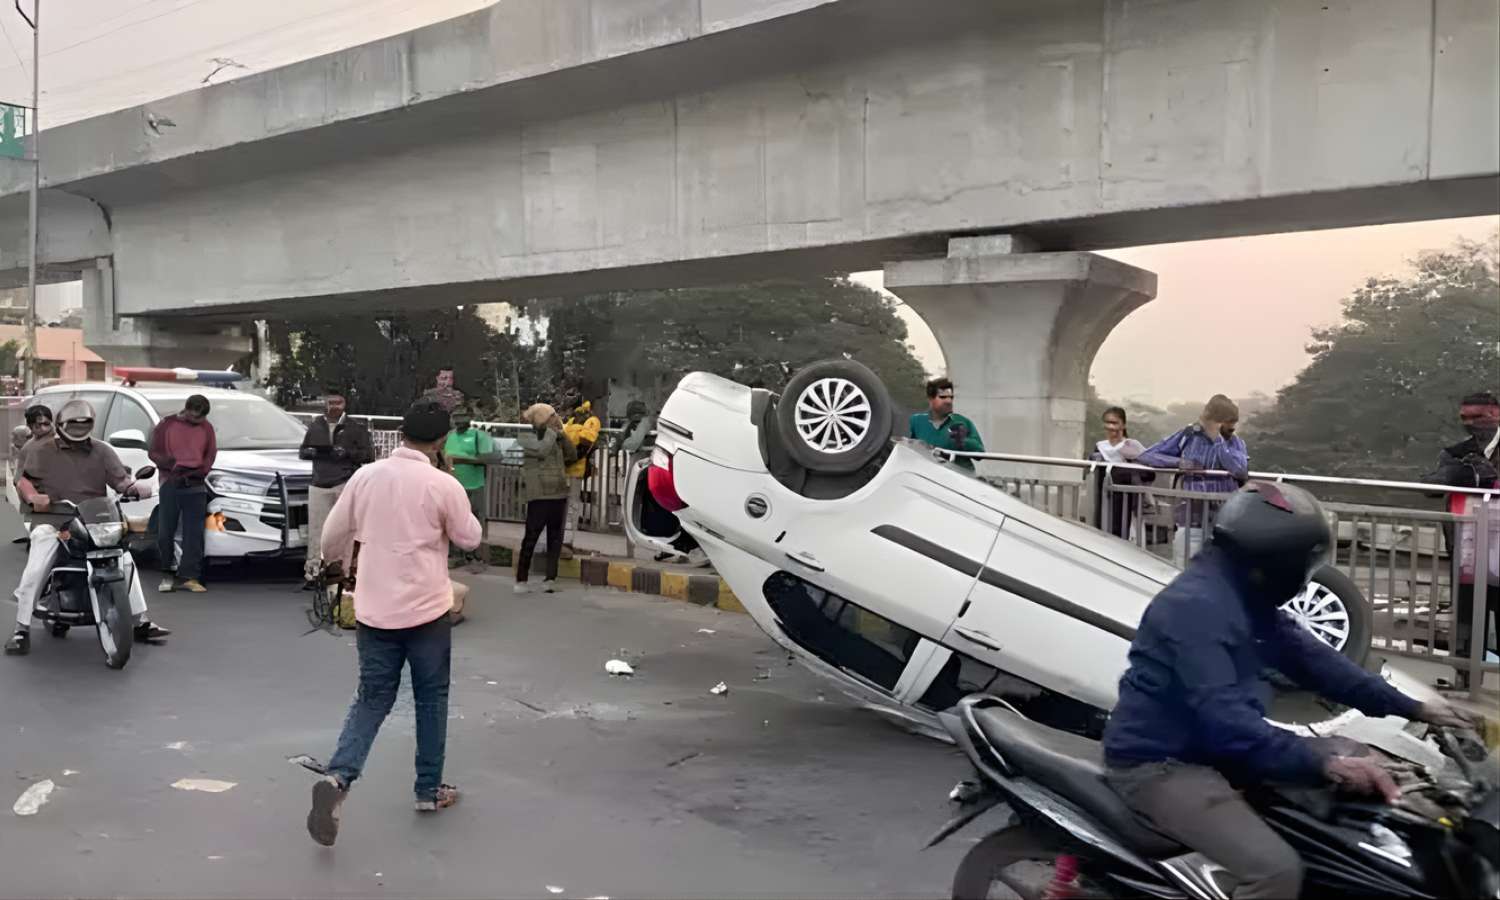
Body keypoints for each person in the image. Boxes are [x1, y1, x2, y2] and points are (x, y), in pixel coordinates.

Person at [1103, 481, 1471, 899]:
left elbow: (1317, 663)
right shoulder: (1197, 607)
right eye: (1303, 566)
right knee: (1275, 871)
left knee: (1351, 821)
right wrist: (1321, 760)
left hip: (1216, 753)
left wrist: (1415, 707)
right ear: (1277, 562)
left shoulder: (1240, 594)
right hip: (1161, 765)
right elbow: (1224, 720)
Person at [305, 400, 481, 845]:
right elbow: (470, 537)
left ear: (400, 433)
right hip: (426, 611)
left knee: (372, 697)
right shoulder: (441, 484)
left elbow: (332, 534)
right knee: (430, 699)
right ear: (442, 440)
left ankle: (339, 778)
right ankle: (428, 789)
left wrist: (335, 565)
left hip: (374, 610)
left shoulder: (366, 477)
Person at [5, 400, 171, 656]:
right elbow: (24, 482)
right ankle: (21, 629)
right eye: (74, 423)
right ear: (62, 424)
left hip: (93, 518)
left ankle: (140, 621)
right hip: (53, 518)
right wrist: (34, 497)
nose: (78, 428)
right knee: (37, 564)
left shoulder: (102, 451)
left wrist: (135, 488)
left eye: (84, 423)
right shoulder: (42, 450)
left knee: (124, 559)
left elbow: (121, 481)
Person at [1422, 390, 1500, 683]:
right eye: (1464, 418)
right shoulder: (1455, 452)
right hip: (1467, 553)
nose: (1470, 424)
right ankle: (1466, 683)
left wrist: (1488, 475)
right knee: (1467, 621)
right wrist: (1454, 476)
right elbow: (1430, 487)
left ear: (1496, 413)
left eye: (1478, 417)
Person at [1138, 394, 1248, 565]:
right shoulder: (1188, 436)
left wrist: (1218, 440)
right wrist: (1179, 462)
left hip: (1223, 520)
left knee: (1220, 571)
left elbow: (1239, 470)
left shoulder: (1235, 443)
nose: (1232, 429)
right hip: (1191, 517)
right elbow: (1147, 456)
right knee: (1183, 566)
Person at [299, 389, 374, 580]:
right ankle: (314, 571)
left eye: (338, 403)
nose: (334, 407)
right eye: (331, 403)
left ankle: (345, 570)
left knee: (346, 529)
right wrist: (313, 452)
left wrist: (346, 453)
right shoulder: (316, 425)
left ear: (345, 404)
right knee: (316, 530)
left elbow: (368, 455)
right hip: (318, 482)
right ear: (325, 403)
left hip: (344, 482)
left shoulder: (355, 427)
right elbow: (303, 451)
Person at [148, 394, 217, 593]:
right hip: (171, 481)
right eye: (193, 417)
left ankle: (190, 576)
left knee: (194, 532)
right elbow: (154, 452)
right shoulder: (167, 425)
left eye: (200, 418)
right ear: (186, 409)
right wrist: (172, 467)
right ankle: (167, 574)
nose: (197, 421)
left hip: (196, 482)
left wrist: (201, 471)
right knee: (166, 531)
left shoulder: (207, 428)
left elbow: (210, 453)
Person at [514, 403, 576, 594]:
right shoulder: (526, 437)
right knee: (531, 536)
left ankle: (550, 577)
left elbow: (572, 455)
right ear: (542, 419)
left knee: (555, 537)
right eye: (552, 416)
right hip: (539, 494)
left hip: (558, 492)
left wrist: (563, 435)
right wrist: (552, 433)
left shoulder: (556, 437)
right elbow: (541, 450)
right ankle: (521, 579)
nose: (556, 418)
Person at [443, 407, 497, 569]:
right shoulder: (449, 436)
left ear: (470, 417)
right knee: (452, 520)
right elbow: (443, 457)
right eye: (456, 416)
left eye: (463, 416)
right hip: (453, 486)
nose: (459, 420)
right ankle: (455, 554)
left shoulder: (479, 436)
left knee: (474, 520)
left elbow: (488, 458)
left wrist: (460, 459)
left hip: (475, 485)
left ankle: (475, 557)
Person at [1088, 406, 1151, 539]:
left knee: (1121, 532)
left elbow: (1149, 472)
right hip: (1103, 495)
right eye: (1107, 422)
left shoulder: (1131, 445)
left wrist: (1131, 461)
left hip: (1126, 497)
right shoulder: (1100, 447)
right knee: (1101, 529)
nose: (1111, 427)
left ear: (1123, 425)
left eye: (1114, 422)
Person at [908, 377, 984, 472]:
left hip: (959, 479)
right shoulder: (916, 421)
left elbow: (980, 454)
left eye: (951, 397)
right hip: (927, 477)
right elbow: (905, 448)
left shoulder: (962, 422)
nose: (949, 401)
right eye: (943, 397)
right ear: (930, 399)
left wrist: (964, 442)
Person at [560, 393, 601, 556]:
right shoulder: (572, 422)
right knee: (566, 507)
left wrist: (570, 460)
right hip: (566, 470)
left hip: (574, 469)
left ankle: (567, 542)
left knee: (570, 507)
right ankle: (561, 541)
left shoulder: (589, 421)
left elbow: (586, 444)